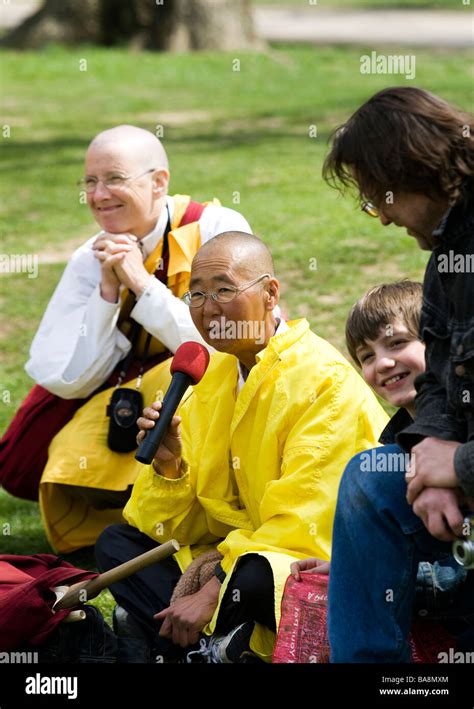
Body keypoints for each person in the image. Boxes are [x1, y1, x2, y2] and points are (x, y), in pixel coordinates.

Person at [95, 231, 388, 663]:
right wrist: (170, 466)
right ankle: (215, 650)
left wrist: (212, 587)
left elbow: (303, 525)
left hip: (319, 558)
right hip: (240, 545)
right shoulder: (209, 376)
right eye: (195, 294)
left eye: (224, 290)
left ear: (271, 293)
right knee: (119, 545)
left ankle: (189, 648)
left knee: (256, 575)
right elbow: (174, 529)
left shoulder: (322, 382)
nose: (208, 308)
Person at [0, 125, 252, 554]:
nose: (99, 195)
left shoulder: (216, 228)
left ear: (159, 183)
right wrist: (107, 292)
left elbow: (231, 341)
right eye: (90, 182)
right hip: (124, 381)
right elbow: (62, 375)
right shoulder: (92, 255)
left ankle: (198, 511)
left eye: (114, 179)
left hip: (210, 379)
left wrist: (141, 282)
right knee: (26, 458)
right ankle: (122, 518)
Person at [321, 86, 474, 661]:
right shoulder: (447, 260)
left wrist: (456, 464)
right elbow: (439, 378)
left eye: (377, 197)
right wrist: (434, 446)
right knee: (373, 472)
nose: (381, 217)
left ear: (412, 168)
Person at [291, 282, 468, 627]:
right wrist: (354, 568)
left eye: (397, 343)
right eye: (367, 356)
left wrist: (364, 577)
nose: (383, 363)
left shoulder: (463, 431)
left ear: (436, 343)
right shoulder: (392, 448)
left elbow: (455, 572)